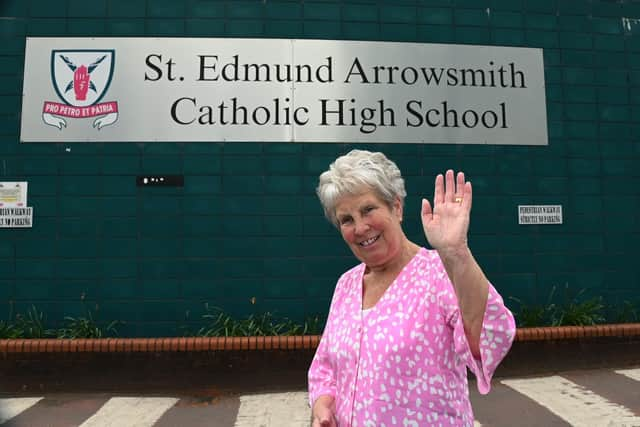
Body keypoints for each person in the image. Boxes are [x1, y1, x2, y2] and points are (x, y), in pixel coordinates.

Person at [308, 150, 516, 427]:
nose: (359, 227)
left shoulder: (440, 273)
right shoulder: (346, 284)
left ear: (396, 207)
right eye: (346, 219)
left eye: (368, 210)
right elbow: (326, 367)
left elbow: (490, 337)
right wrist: (323, 404)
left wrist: (457, 253)